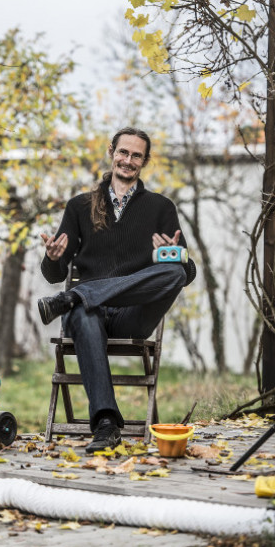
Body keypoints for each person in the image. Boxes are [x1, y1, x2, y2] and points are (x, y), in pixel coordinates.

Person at [38, 127, 196, 453]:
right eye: (123, 152)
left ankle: (77, 295)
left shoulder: (161, 207)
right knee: (84, 313)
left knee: (175, 271)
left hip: (132, 316)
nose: (128, 160)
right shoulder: (80, 206)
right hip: (88, 315)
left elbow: (187, 272)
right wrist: (52, 257)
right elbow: (54, 273)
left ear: (145, 161)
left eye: (137, 155)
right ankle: (107, 424)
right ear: (112, 152)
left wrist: (173, 255)